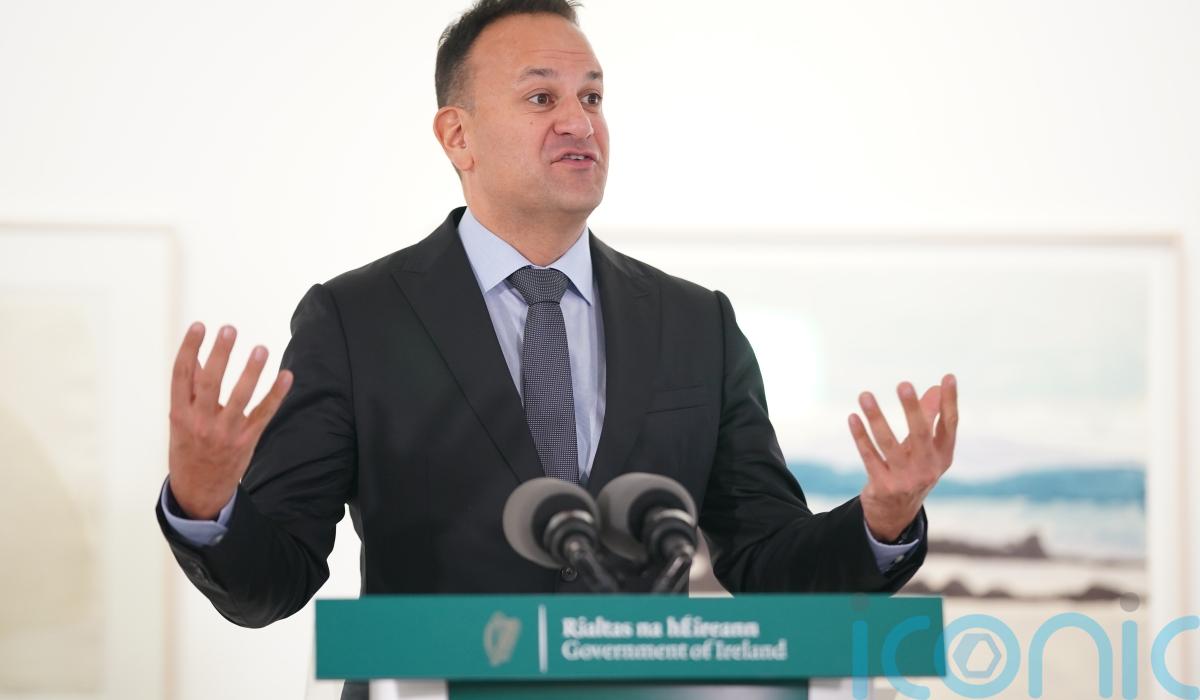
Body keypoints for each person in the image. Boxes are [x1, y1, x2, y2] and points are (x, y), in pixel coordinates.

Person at [158, 0, 958, 680]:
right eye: (542, 98)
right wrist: (206, 502)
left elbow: (767, 561)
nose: (580, 123)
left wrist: (880, 519)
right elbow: (274, 583)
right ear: (458, 137)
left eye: (593, 97)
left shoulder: (695, 323)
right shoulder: (356, 319)